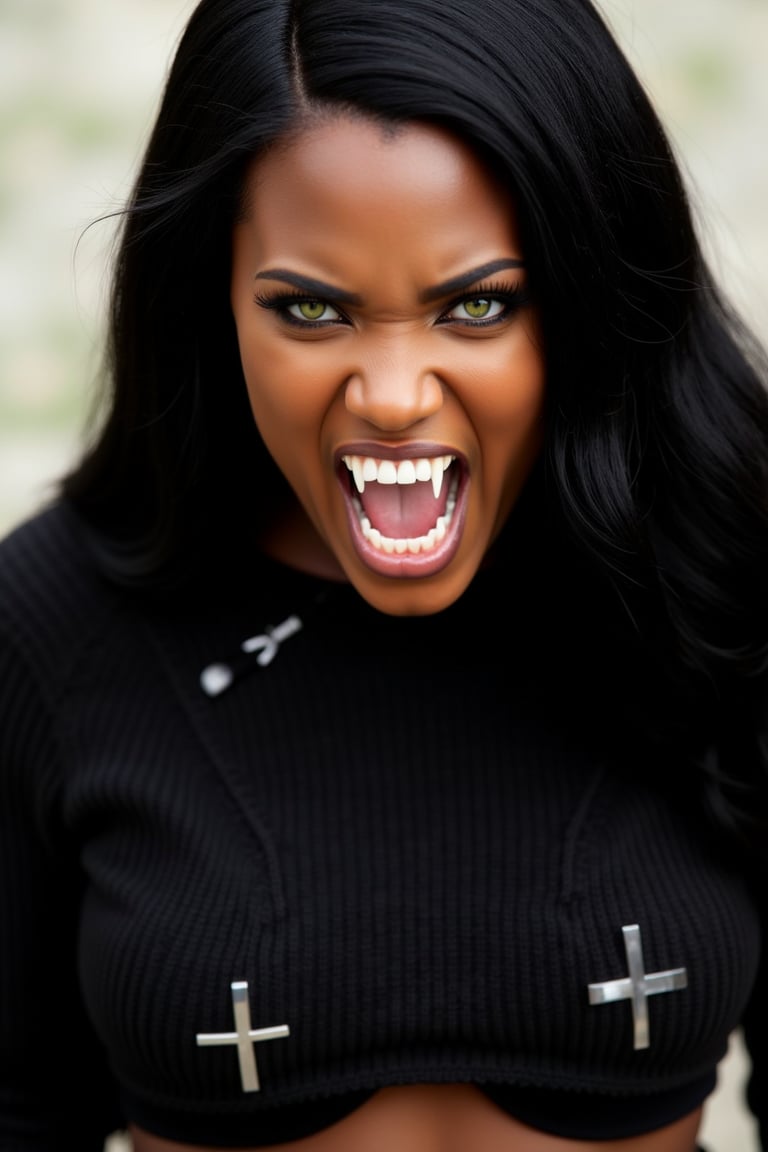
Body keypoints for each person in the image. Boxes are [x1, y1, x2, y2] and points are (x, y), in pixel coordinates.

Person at [1, 0, 766, 1148]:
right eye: (311, 310)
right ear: (210, 298)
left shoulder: (725, 577)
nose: (395, 393)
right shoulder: (53, 627)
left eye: (478, 306)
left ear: (594, 296)